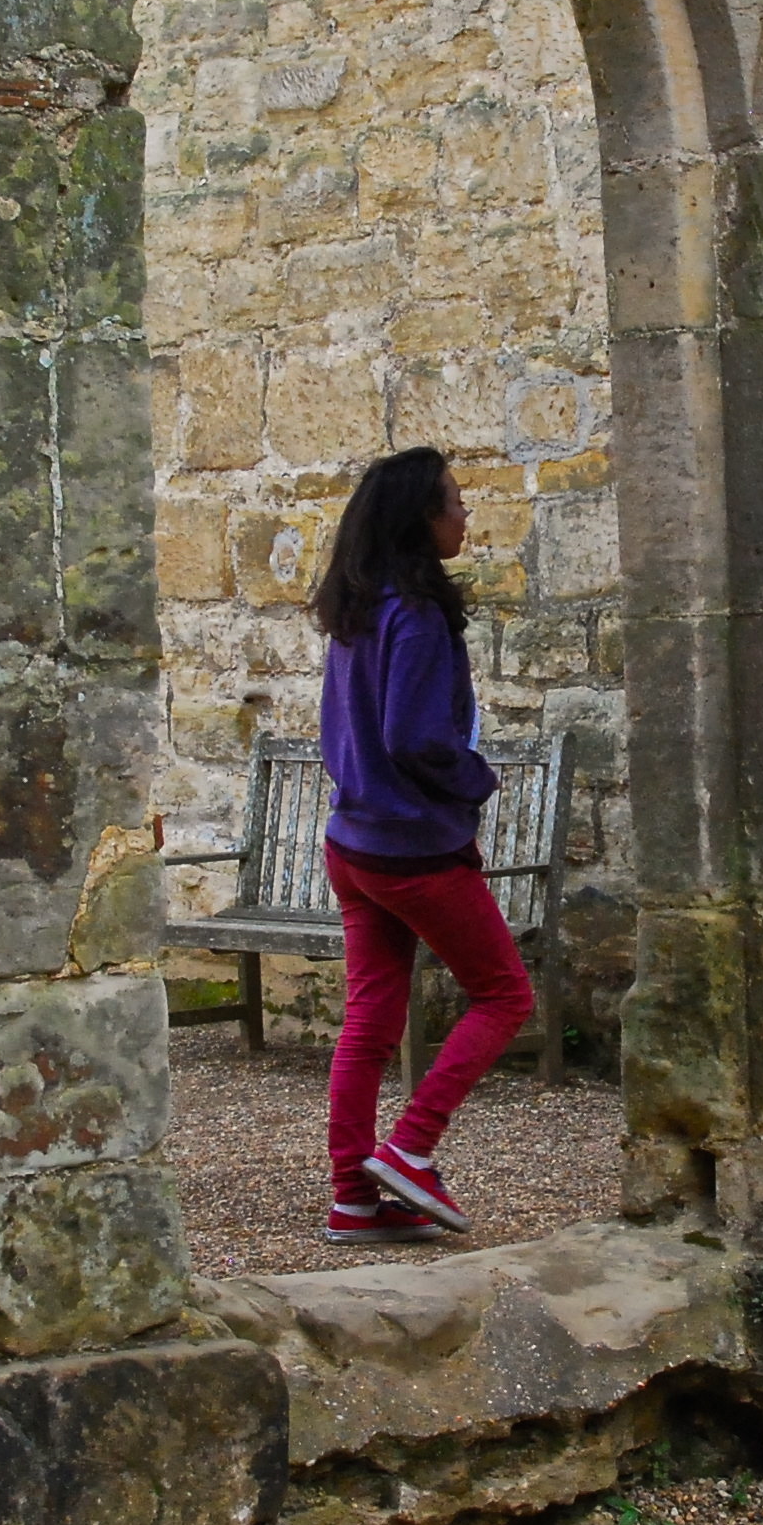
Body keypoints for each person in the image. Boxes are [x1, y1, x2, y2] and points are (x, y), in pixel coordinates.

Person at [309, 445, 536, 1244]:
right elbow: (414, 735)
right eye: (453, 502)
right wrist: (474, 779)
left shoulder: (357, 606)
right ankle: (409, 1150)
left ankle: (353, 1200)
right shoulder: (416, 609)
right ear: (420, 517)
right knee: (506, 994)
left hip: (353, 842)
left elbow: (346, 729)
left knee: (370, 1021)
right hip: (411, 849)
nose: (464, 514)